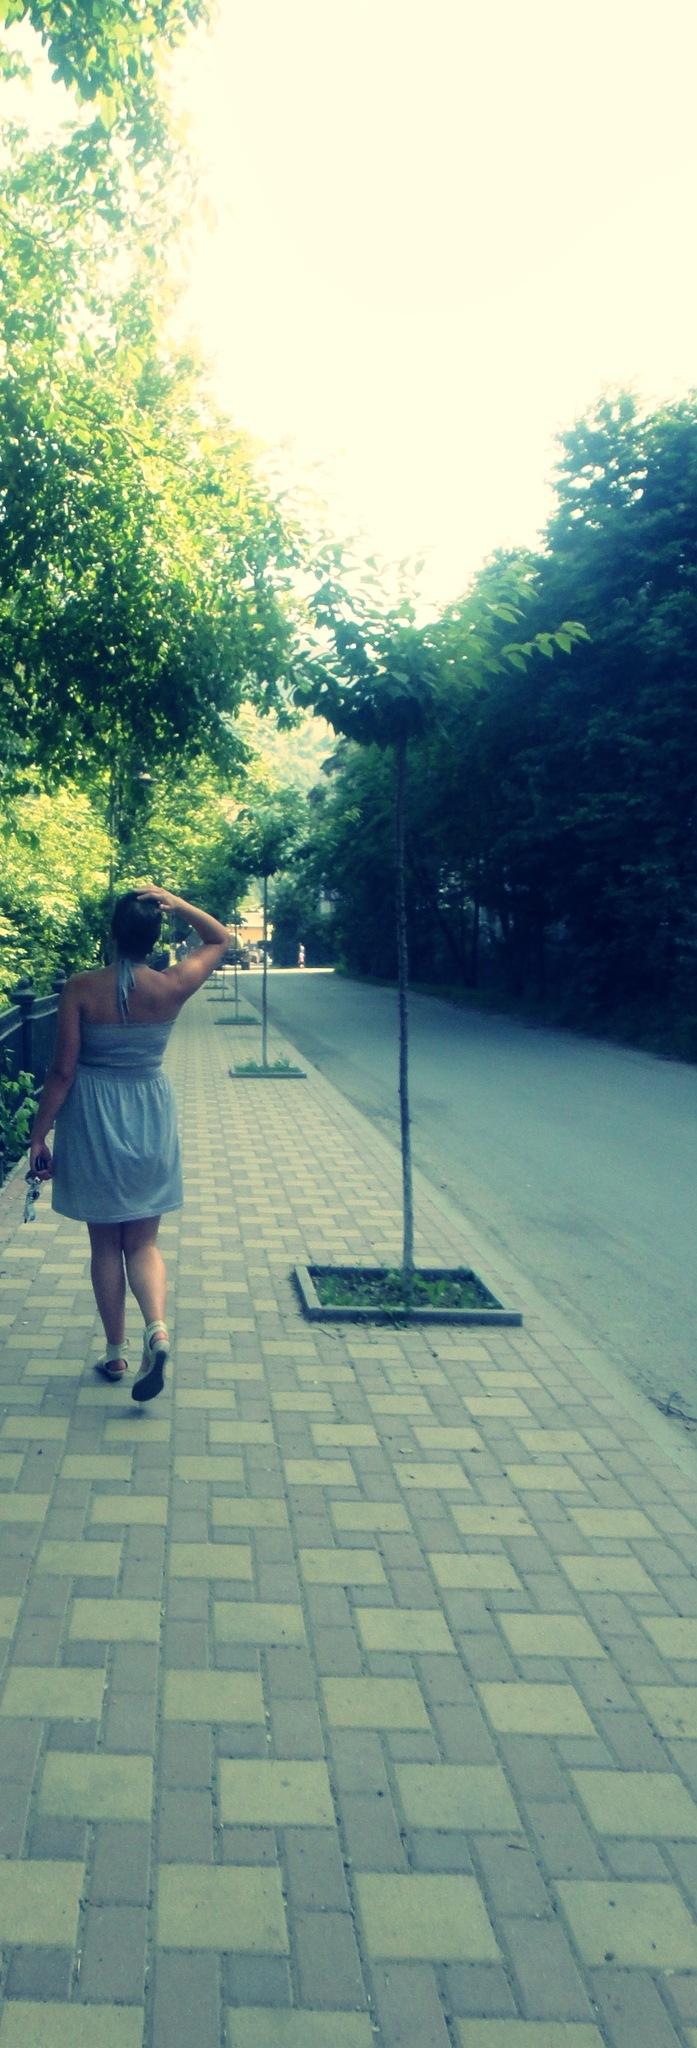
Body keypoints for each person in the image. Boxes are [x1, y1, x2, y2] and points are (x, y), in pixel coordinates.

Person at [29, 887, 228, 1401]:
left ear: (112, 933)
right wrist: (176, 901)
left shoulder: (81, 987)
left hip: (93, 1116)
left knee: (104, 1244)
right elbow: (219, 938)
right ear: (155, 937)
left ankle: (115, 1351)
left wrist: (39, 1133)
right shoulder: (173, 984)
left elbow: (62, 1071)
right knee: (143, 1242)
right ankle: (156, 1330)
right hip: (149, 1113)